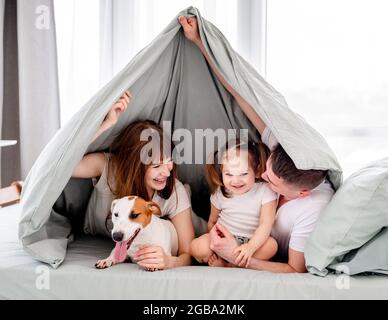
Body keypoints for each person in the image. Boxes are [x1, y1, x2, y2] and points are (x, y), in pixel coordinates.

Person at [178, 16, 334, 273]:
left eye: (271, 180)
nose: (261, 176)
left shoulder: (312, 209)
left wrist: (240, 257)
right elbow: (241, 95)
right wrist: (201, 43)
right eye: (266, 169)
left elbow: (296, 269)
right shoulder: (282, 152)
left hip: (256, 249)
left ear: (301, 194)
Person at [72, 90, 195, 270]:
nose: (167, 173)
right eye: (156, 166)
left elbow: (188, 252)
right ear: (136, 165)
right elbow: (65, 163)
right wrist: (107, 124)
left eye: (169, 163)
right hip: (95, 232)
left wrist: (170, 262)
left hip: (176, 218)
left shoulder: (173, 189)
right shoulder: (108, 168)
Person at [190, 139, 278, 268]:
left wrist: (250, 247)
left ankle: (230, 263)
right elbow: (212, 222)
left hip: (251, 241)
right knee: (196, 247)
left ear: (257, 171)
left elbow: (266, 224)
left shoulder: (265, 191)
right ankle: (227, 260)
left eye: (243, 174)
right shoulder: (220, 193)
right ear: (221, 173)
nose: (235, 181)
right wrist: (216, 241)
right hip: (224, 238)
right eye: (229, 174)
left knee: (271, 246)